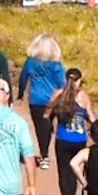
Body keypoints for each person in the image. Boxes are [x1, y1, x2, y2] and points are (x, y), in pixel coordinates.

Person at [48, 68, 93, 195]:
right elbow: (91, 118)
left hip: (62, 138)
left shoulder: (58, 94)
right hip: (79, 139)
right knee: (75, 169)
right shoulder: (83, 96)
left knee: (63, 170)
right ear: (80, 80)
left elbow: (47, 113)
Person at [18, 36, 66, 166]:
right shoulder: (57, 65)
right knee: (49, 126)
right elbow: (62, 83)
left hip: (36, 99)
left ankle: (44, 155)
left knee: (41, 127)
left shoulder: (30, 62)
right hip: (54, 99)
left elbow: (23, 79)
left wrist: (20, 94)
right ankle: (50, 151)